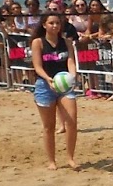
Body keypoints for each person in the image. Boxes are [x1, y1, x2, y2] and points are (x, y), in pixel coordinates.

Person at [30, 12, 80, 170]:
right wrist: (48, 79)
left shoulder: (66, 42)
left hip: (64, 85)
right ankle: (51, 161)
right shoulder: (38, 43)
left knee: (71, 122)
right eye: (51, 23)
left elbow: (71, 61)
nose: (55, 26)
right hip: (45, 86)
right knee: (49, 126)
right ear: (44, 25)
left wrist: (72, 75)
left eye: (57, 23)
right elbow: (37, 66)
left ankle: (70, 158)